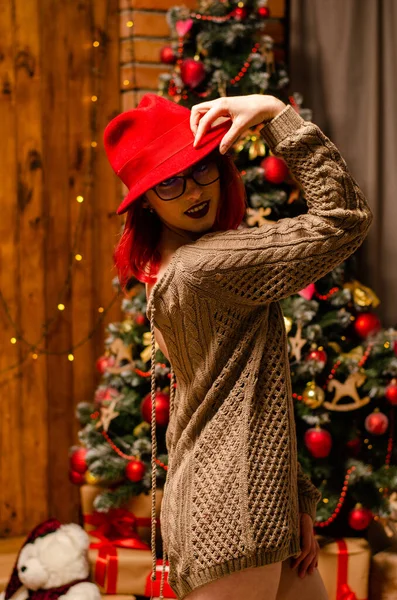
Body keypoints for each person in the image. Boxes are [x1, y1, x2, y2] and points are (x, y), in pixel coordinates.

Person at [103, 93, 373, 600]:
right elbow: (345, 217)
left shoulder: (164, 267)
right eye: (170, 181)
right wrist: (274, 112)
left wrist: (294, 501)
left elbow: (234, 397)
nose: (194, 191)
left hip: (243, 502)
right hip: (230, 512)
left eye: (203, 167)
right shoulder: (204, 267)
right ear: (145, 197)